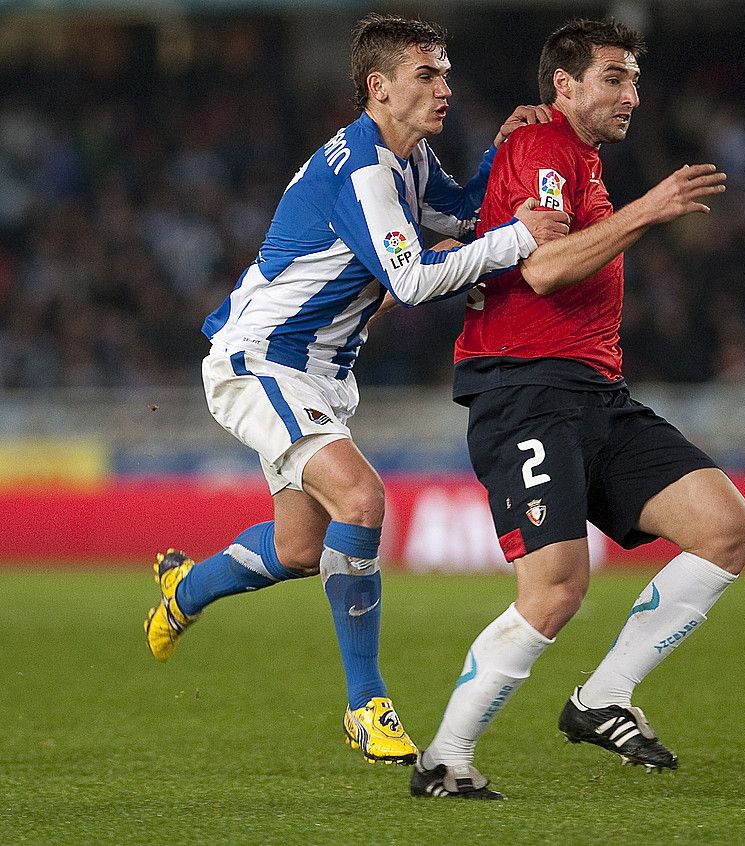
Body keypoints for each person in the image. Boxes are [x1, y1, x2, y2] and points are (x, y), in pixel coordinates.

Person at [142, 13, 568, 766]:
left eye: (445, 72)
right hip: (262, 360)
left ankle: (185, 590)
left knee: (303, 547)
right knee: (363, 501)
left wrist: (506, 148)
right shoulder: (364, 170)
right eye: (426, 75)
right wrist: (517, 240)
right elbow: (411, 278)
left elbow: (462, 213)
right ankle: (365, 704)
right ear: (379, 88)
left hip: (321, 375)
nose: (444, 87)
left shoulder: (409, 160)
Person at [410, 18, 745, 800]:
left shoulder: (574, 159)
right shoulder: (542, 150)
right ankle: (445, 759)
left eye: (634, 79)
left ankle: (602, 697)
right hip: (525, 391)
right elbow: (541, 271)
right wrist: (649, 208)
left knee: (726, 528)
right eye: (613, 77)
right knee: (556, 590)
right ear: (563, 85)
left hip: (595, 393)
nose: (630, 94)